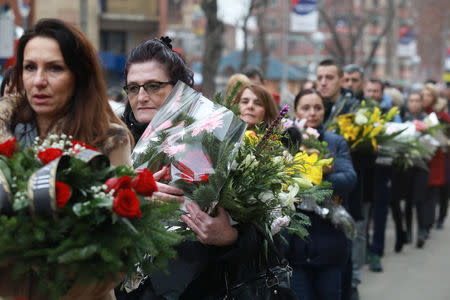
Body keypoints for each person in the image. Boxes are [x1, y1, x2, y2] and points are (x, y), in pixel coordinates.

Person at [116, 37, 271, 300]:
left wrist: (229, 237)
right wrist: (128, 197)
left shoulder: (218, 138)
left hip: (202, 288)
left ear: (180, 90)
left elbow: (265, 229)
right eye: (133, 88)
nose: (141, 96)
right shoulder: (110, 144)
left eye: (153, 86)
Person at [0, 18, 133, 300]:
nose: (39, 81)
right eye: (30, 67)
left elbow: (121, 248)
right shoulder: (4, 134)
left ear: (79, 75)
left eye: (55, 68)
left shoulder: (108, 140)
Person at [287, 89, 356, 300]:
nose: (312, 112)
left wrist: (316, 176)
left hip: (330, 243)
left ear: (325, 111)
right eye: (306, 107)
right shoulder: (286, 141)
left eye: (318, 107)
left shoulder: (335, 143)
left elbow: (349, 178)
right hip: (295, 246)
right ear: (296, 111)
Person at [390, 92, 429, 251]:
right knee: (406, 201)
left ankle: (421, 231)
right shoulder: (403, 119)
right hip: (405, 165)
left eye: (416, 100)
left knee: (419, 200)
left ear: (421, 102)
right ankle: (408, 233)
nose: (413, 103)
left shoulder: (428, 121)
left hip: (422, 165)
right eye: (411, 100)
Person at [422, 83, 450, 237]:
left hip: (437, 157)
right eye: (423, 95)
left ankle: (430, 223)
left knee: (435, 191)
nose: (424, 98)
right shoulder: (419, 112)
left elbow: (447, 137)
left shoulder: (441, 115)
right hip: (421, 156)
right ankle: (424, 224)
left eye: (428, 95)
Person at [316, 59, 358, 124]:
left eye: (329, 77)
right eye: (319, 78)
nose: (323, 83)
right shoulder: (310, 108)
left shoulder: (353, 109)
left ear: (342, 81)